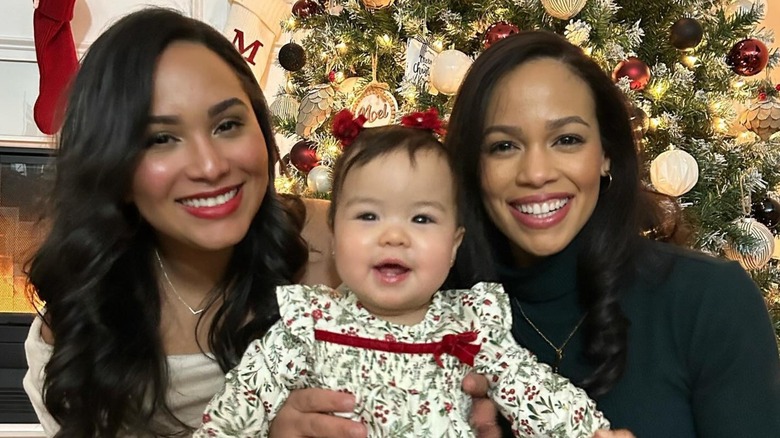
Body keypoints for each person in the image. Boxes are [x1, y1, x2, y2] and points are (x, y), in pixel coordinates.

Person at [20, 8, 361, 437]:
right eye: (161, 139)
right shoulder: (79, 324)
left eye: (228, 124)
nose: (209, 165)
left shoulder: (345, 240)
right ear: (113, 168)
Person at [196, 108, 610, 437]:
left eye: (422, 219)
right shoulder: (310, 323)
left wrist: (588, 432)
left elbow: (533, 391)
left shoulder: (469, 327)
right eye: (369, 215)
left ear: (453, 246)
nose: (394, 236)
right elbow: (239, 407)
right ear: (336, 236)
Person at [444, 30, 780, 437]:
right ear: (471, 166)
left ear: (605, 154)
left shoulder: (710, 300)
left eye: (566, 140)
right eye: (503, 146)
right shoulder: (428, 318)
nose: (535, 173)